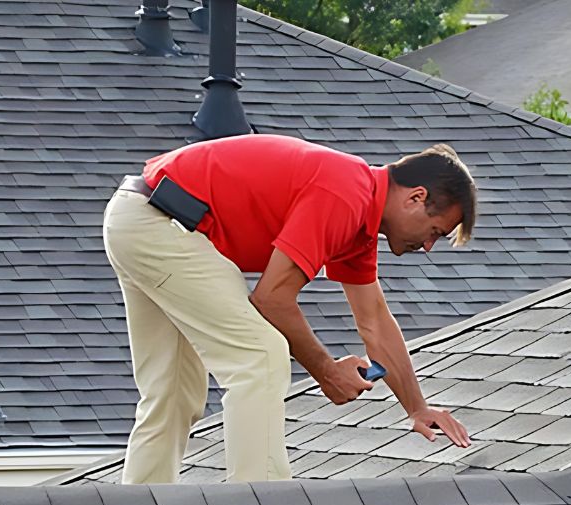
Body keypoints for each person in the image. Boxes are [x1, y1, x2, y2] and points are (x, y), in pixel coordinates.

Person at [103, 134, 476, 484]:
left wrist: (416, 408)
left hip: (139, 217)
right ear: (415, 198)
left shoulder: (359, 218)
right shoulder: (346, 194)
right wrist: (326, 371)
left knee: (173, 392)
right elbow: (271, 299)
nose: (428, 246)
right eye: (434, 232)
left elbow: (375, 322)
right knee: (261, 357)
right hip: (163, 225)